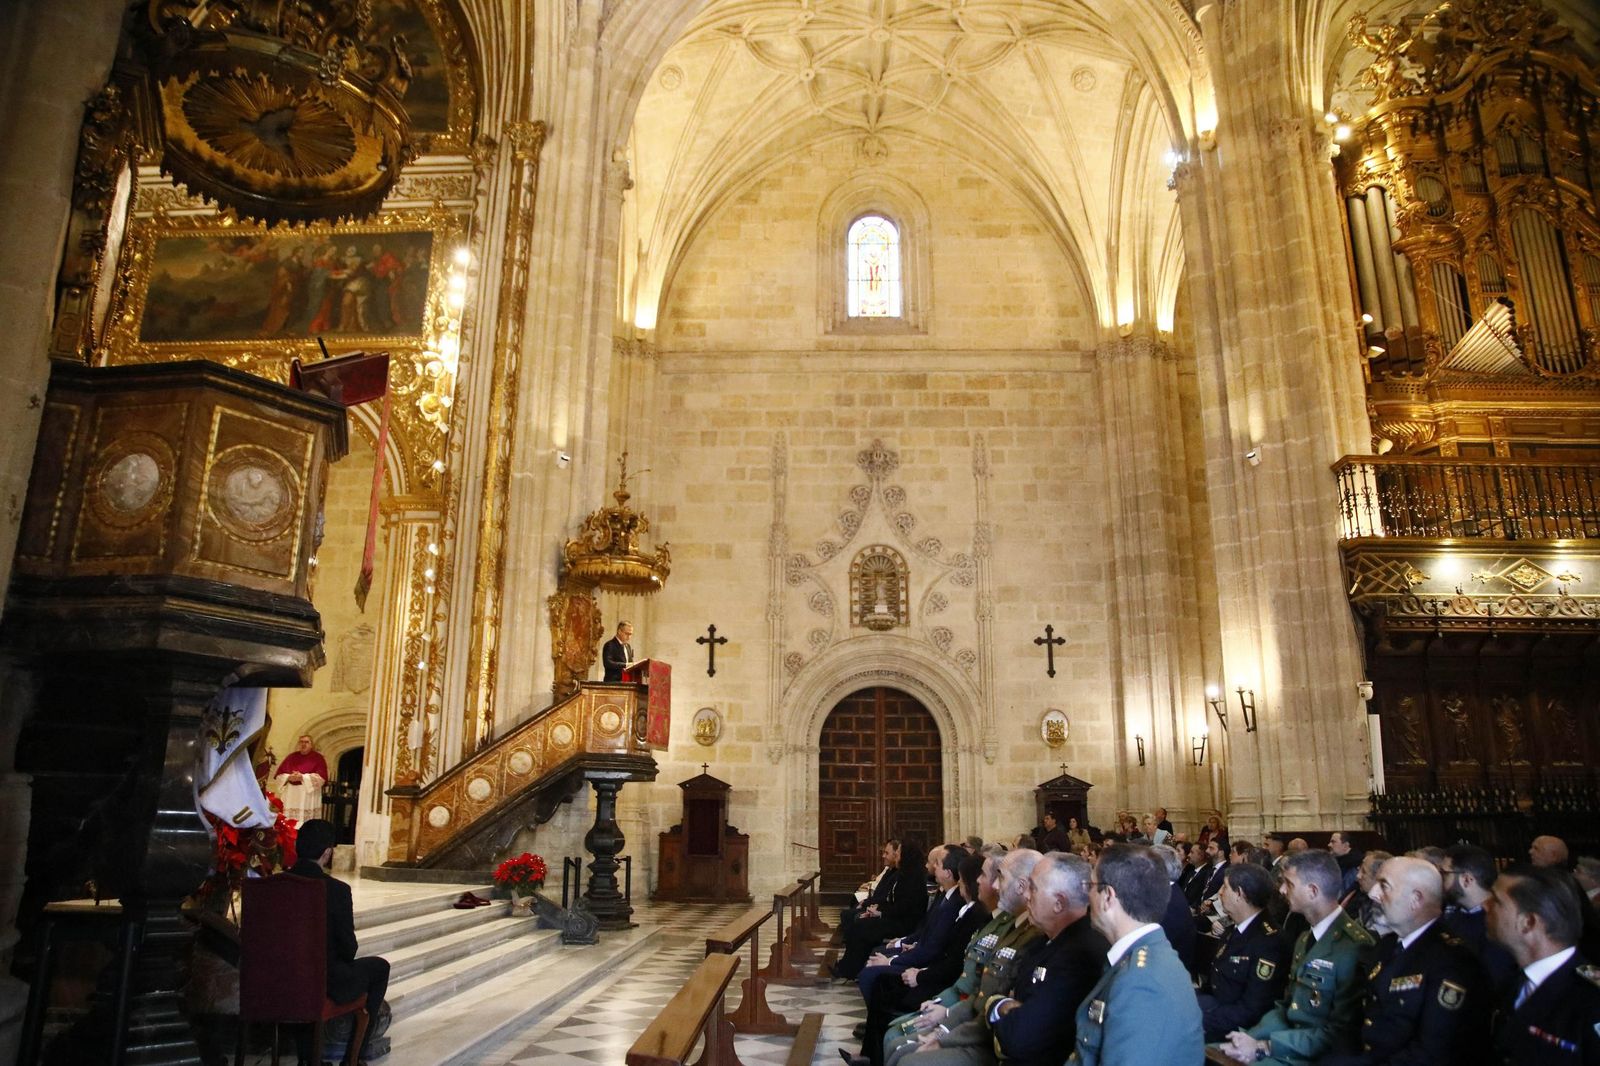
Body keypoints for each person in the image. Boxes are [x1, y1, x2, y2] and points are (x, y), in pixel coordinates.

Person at [1319, 856, 1490, 1065]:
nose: (1373, 894)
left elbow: (1431, 1053)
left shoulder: (1452, 962)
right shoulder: (1386, 946)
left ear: (1416, 899)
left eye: (1384, 886)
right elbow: (1358, 1022)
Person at [883, 849, 1043, 1066]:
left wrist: (946, 1025)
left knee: (903, 1051)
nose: (993, 885)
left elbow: (990, 997)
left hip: (984, 1031)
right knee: (895, 1040)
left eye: (997, 877)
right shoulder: (1003, 924)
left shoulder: (1028, 934)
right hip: (964, 1009)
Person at [947, 853, 1107, 1066]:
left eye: (1033, 888)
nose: (1026, 896)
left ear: (1059, 903)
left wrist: (997, 1005)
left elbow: (1020, 1037)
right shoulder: (1043, 941)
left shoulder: (1078, 953)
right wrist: (1006, 1004)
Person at [1220, 849, 1376, 1064]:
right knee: (1209, 1054)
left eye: (1289, 884)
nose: (1282, 890)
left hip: (1314, 1056)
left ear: (1312, 891)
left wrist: (1266, 1046)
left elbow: (1341, 1032)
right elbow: (1287, 1006)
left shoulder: (1353, 945)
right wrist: (1251, 1036)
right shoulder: (1305, 938)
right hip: (1287, 1042)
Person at [1066, 844, 1203, 1064]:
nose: (1086, 893)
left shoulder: (1141, 982)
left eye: (1090, 885)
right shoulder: (1138, 959)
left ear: (1108, 897)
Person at [854, 852, 990, 1066]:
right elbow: (929, 936)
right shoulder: (959, 905)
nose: (931, 867)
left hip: (943, 983)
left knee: (881, 985)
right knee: (881, 984)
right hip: (938, 976)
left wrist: (919, 973)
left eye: (936, 863)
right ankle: (872, 1047)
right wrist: (908, 947)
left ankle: (874, 1048)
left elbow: (949, 959)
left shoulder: (972, 913)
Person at [290, 819, 389, 1065]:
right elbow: (348, 949)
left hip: (276, 979)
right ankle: (352, 1059)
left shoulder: (269, 887)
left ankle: (306, 1058)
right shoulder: (335, 890)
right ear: (327, 853)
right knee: (379, 968)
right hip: (321, 982)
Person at [1489, 864, 1600, 1064]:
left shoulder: (1591, 998)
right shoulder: (1512, 982)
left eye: (1495, 901)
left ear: (1528, 923)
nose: (1484, 905)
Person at [1198, 863, 1289, 1042]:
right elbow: (1214, 985)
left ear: (1240, 894)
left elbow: (1253, 1009)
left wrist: (1198, 1018)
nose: (1220, 892)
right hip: (1216, 1008)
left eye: (1225, 887)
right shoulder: (1233, 930)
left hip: (1239, 1029)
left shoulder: (1269, 941)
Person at [832, 838, 929, 979]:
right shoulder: (904, 874)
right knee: (860, 924)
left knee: (862, 927)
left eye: (898, 854)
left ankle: (850, 970)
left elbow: (905, 908)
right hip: (895, 918)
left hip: (904, 924)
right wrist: (877, 910)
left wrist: (880, 913)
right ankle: (849, 967)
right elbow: (893, 901)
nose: (896, 856)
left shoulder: (913, 877)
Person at [1440, 843, 1516, 988]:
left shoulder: (1499, 921)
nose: (1439, 879)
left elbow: (1494, 977)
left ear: (1467, 880)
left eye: (1444, 874)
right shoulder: (1452, 916)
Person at [274, 734, 328, 826]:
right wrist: (288, 777)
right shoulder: (291, 757)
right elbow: (279, 775)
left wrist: (302, 777)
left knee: (306, 824)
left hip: (307, 795)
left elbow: (321, 778)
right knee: (289, 821)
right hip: (291, 794)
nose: (303, 744)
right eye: (301, 742)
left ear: (311, 745)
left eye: (307, 742)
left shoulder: (318, 758)